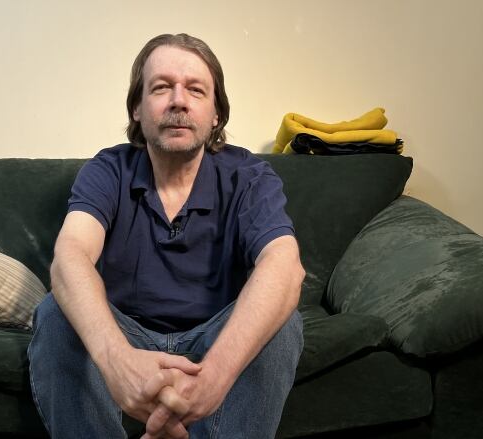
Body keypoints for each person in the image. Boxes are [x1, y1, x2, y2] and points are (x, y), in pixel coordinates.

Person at [28, 33, 305, 439]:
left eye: (195, 89)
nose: (178, 101)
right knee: (55, 313)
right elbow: (70, 256)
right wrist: (119, 363)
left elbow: (285, 267)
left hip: (217, 338)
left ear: (215, 115)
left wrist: (210, 382)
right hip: (129, 336)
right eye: (161, 88)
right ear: (137, 108)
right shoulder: (107, 170)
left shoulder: (249, 176)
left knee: (283, 321)